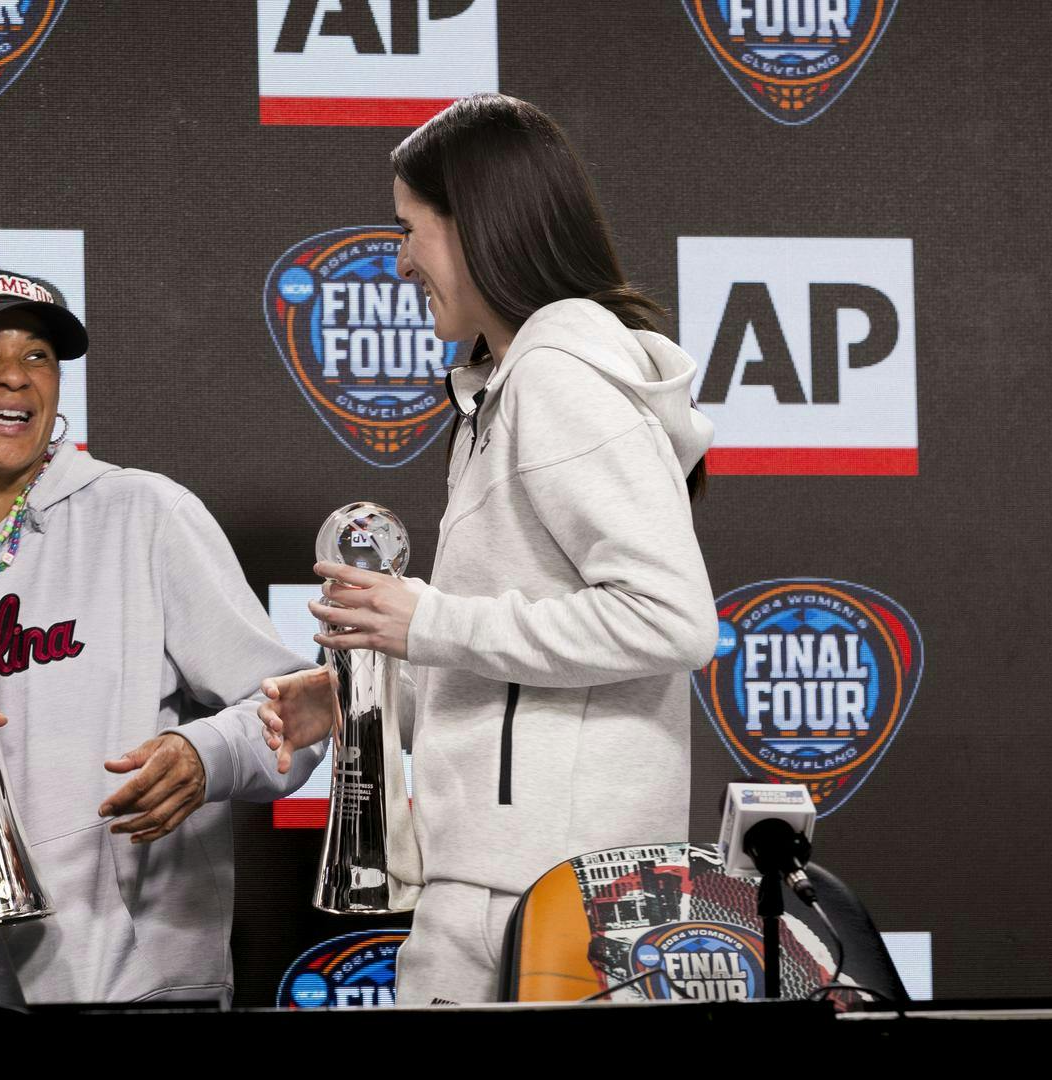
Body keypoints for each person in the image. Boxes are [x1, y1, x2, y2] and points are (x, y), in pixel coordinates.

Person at [260, 94, 719, 1005]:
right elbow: (525, 650)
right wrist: (374, 695)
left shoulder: (555, 380)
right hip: (513, 884)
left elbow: (670, 620)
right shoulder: (502, 390)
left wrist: (430, 620)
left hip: (554, 895)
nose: (399, 259)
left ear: (477, 227)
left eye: (410, 229)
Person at [0, 261, 323, 1005]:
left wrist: (205, 752)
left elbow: (295, 714)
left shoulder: (146, 515)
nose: (15, 376)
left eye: (37, 355)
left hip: (142, 990)